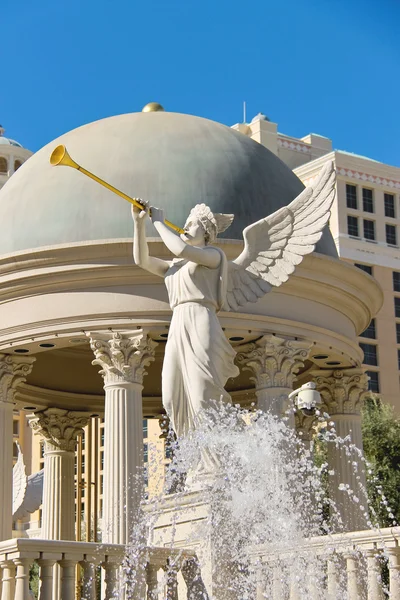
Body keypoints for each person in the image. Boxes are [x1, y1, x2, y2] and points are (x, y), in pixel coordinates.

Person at [132, 202, 239, 438]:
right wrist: (139, 224)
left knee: (202, 396)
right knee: (171, 396)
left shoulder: (213, 256)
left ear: (206, 232)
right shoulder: (175, 266)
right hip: (178, 323)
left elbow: (180, 249)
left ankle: (214, 461)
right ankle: (194, 460)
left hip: (200, 320)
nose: (185, 227)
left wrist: (158, 221)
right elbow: (142, 260)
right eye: (186, 223)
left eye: (191, 223)